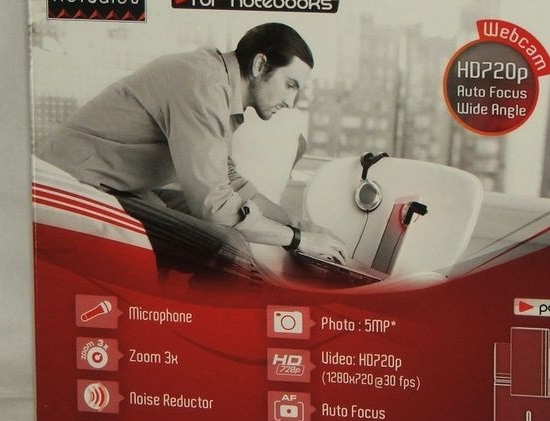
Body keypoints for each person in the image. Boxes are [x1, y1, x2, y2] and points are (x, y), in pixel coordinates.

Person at [36, 22, 346, 274]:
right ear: (260, 64)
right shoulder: (203, 84)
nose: (291, 102)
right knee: (230, 250)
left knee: (231, 232)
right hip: (76, 184)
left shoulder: (217, 85)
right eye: (290, 85)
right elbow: (215, 207)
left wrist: (296, 225)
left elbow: (229, 179)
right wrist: (297, 240)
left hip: (122, 186)